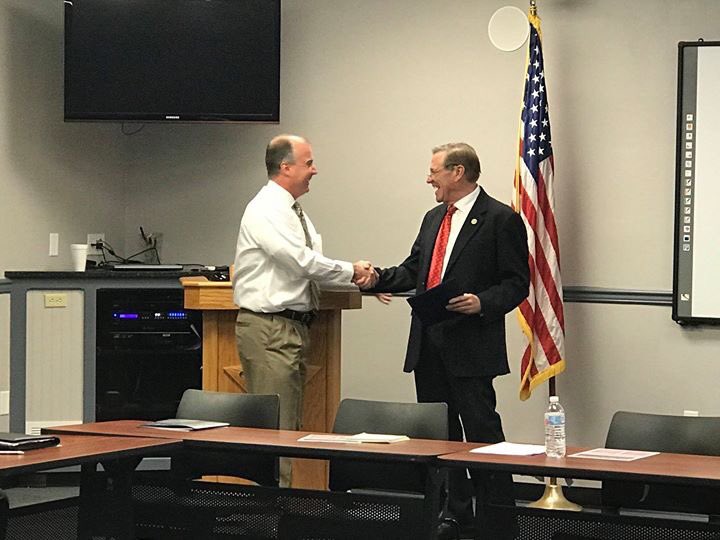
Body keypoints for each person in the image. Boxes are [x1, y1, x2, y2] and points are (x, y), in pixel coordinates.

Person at [366, 142, 529, 540]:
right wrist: (376, 279)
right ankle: (454, 516)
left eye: (434, 171)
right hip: (428, 344)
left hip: (471, 346)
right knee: (439, 437)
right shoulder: (433, 217)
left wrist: (482, 302)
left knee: (483, 435)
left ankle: (499, 522)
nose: (428, 179)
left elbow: (517, 283)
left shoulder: (500, 219)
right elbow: (414, 270)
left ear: (458, 172)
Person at [232, 134, 376, 486]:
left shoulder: (292, 211)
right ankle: (272, 511)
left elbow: (305, 271)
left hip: (289, 329)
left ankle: (281, 506)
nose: (315, 170)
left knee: (289, 427)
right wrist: (352, 271)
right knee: (277, 433)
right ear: (286, 167)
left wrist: (365, 283)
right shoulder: (267, 209)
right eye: (308, 163)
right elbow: (300, 262)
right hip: (270, 329)